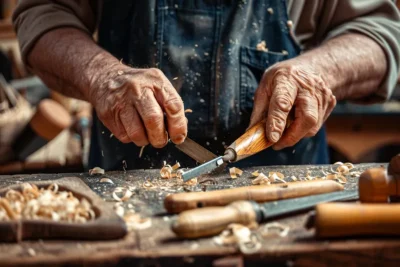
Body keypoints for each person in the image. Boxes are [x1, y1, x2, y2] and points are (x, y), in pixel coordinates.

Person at [12, 1, 400, 171]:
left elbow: (381, 33)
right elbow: (41, 14)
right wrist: (102, 76)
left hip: (285, 199)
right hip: (127, 193)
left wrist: (319, 69)